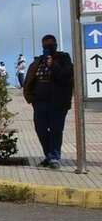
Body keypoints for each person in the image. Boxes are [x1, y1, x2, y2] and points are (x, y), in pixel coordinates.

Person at [23, 34, 74, 169]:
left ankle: (54, 157)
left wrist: (53, 65)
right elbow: (29, 79)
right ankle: (49, 155)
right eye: (46, 45)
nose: (48, 47)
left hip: (58, 102)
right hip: (39, 102)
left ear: (56, 45)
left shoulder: (64, 59)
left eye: (51, 45)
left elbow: (66, 77)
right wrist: (30, 97)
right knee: (41, 129)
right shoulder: (38, 61)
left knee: (56, 130)